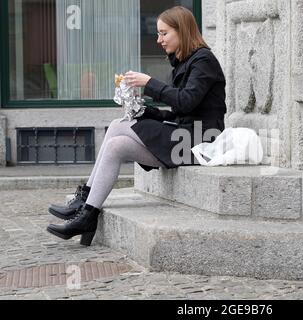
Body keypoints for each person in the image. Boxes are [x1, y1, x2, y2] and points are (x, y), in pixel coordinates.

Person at [46, 6, 226, 246]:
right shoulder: (185, 61)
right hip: (185, 137)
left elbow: (186, 100)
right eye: (159, 33)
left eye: (164, 33)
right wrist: (146, 111)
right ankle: (87, 210)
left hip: (199, 143)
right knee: (118, 139)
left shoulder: (204, 60)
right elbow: (181, 111)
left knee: (121, 130)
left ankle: (86, 208)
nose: (159, 39)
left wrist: (149, 83)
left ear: (181, 31)